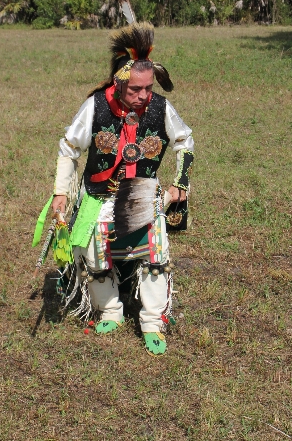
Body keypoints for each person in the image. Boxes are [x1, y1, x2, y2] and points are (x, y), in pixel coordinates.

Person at [51, 18, 194, 356]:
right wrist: (61, 192)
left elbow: (185, 142)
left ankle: (152, 321)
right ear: (119, 81)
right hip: (99, 196)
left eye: (149, 88)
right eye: (136, 90)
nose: (144, 96)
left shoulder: (160, 108)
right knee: (97, 254)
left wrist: (179, 185)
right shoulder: (96, 106)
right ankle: (111, 312)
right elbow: (69, 148)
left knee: (155, 254)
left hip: (145, 195)